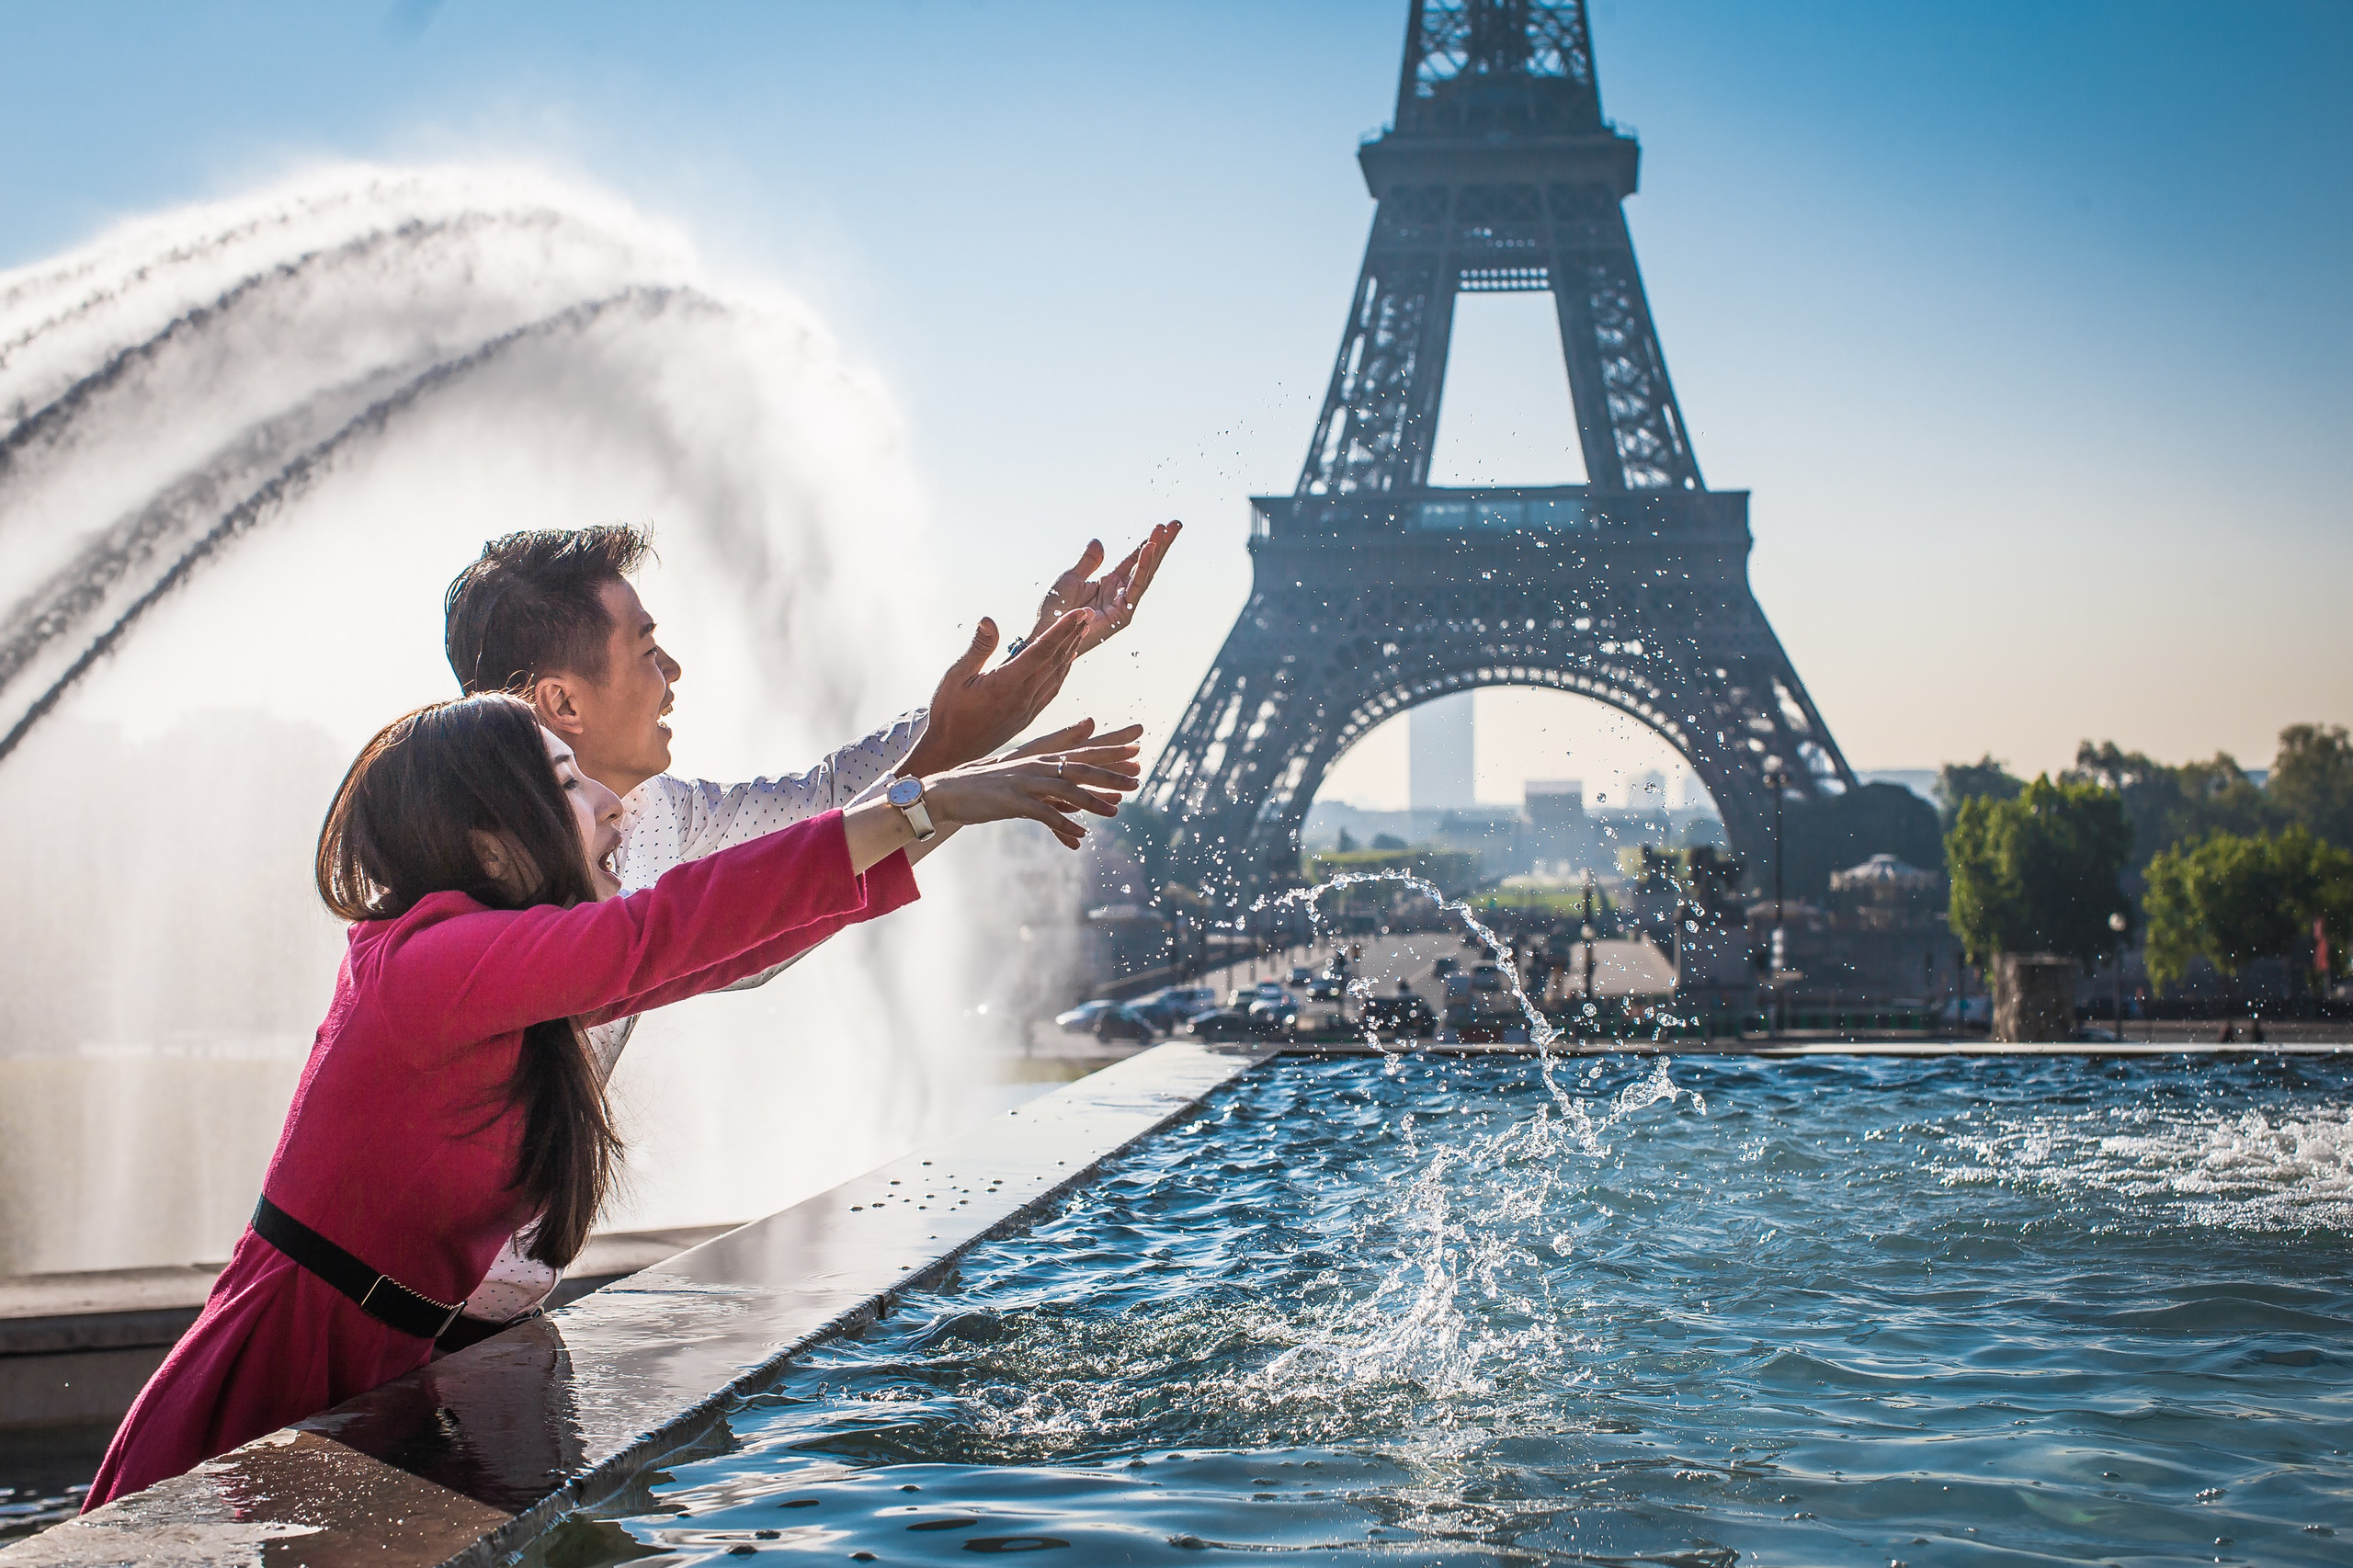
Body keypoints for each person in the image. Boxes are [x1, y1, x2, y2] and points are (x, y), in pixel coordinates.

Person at [85, 691, 1138, 1509]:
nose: (614, 804)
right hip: (279, 1378)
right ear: (492, 839)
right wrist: (930, 799)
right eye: (567, 781)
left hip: (377, 1368)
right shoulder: (428, 961)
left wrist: (927, 814)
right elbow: (665, 932)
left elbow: (704, 946)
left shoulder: (490, 967)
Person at [437, 521, 1178, 1330]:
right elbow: (768, 897)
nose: (673, 672)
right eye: (647, 648)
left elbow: (819, 811)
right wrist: (946, 790)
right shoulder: (462, 872)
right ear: (562, 703)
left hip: (505, 1308)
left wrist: (1037, 654)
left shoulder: (652, 816)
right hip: (409, 1318)